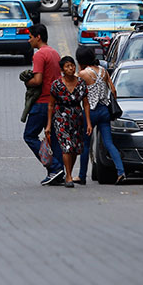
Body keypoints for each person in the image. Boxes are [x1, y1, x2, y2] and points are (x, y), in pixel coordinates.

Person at [76, 46, 125, 184]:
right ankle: (121, 172)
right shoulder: (103, 71)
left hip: (90, 112)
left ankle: (81, 176)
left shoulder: (83, 74)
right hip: (104, 111)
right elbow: (113, 91)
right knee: (109, 143)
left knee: (85, 144)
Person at [24, 24, 65, 185]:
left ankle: (54, 167)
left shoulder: (39, 55)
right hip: (56, 102)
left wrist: (28, 81)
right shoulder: (55, 53)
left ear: (38, 37)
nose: (29, 40)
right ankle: (58, 171)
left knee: (29, 135)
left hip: (42, 102)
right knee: (54, 138)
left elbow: (38, 80)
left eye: (30, 37)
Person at [47, 56, 90, 188]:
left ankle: (69, 172)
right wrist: (48, 124)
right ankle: (69, 176)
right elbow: (50, 105)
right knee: (66, 147)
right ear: (62, 70)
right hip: (61, 118)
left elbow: (86, 104)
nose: (71, 68)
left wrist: (88, 122)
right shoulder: (57, 85)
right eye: (67, 66)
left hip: (77, 118)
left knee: (75, 148)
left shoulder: (81, 83)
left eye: (72, 65)